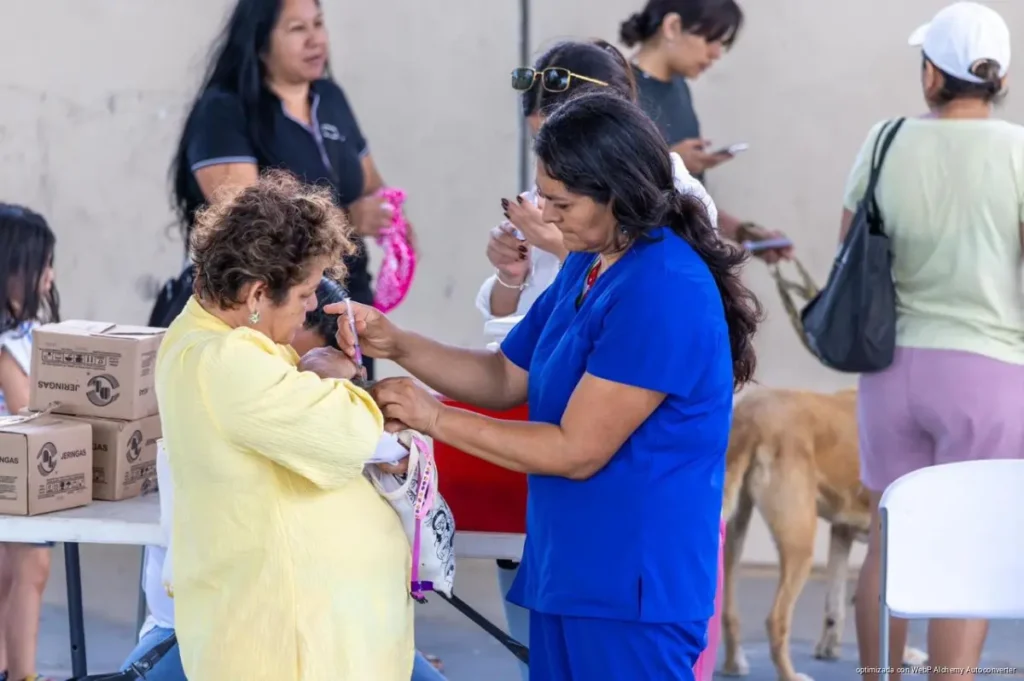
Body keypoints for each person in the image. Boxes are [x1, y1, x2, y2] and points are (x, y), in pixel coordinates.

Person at [331, 92, 762, 680]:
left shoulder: (663, 287)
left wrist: (434, 418)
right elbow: (505, 375)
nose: (545, 217)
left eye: (560, 202)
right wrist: (396, 343)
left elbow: (576, 450)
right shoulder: (593, 263)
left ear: (620, 191)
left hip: (632, 586)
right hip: (573, 570)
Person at [155, 171, 413, 681]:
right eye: (304, 294)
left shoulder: (210, 341)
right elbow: (354, 434)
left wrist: (310, 374)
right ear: (255, 293)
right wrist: (337, 378)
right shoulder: (227, 361)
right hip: (285, 647)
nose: (313, 307)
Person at [125, 273, 447, 681]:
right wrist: (338, 389)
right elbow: (371, 442)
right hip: (218, 631)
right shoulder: (235, 377)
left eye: (310, 366)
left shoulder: (319, 402)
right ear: (257, 307)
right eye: (294, 364)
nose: (300, 379)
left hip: (342, 633)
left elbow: (401, 452)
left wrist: (345, 393)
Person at [845, 4, 1024, 681]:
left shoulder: (884, 140)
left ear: (932, 75)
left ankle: (876, 675)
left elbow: (849, 253)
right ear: (998, 77)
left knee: (887, 538)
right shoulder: (1018, 150)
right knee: (965, 550)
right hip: (990, 369)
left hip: (890, 367)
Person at [168, 0, 405, 379]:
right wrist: (350, 219)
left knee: (352, 424)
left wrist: (393, 221)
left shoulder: (330, 99)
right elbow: (244, 230)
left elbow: (371, 184)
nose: (315, 39)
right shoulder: (225, 111)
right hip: (274, 318)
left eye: (318, 24)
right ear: (260, 41)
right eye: (297, 29)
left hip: (343, 306)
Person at [478, 38, 718, 320]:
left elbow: (646, 313)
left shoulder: (674, 195)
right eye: (538, 139)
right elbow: (507, 329)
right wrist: (510, 274)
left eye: (560, 141)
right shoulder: (550, 191)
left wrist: (562, 248)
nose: (548, 157)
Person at [620, 0, 793, 262]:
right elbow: (608, 191)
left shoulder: (679, 88)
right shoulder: (622, 90)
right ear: (673, 26)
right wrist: (669, 162)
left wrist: (743, 232)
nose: (715, 54)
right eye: (710, 40)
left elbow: (685, 198)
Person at [0, 204, 59, 681]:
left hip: (23, 477)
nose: (50, 276)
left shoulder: (27, 332)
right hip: (14, 474)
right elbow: (25, 407)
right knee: (27, 570)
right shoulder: (5, 345)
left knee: (23, 572)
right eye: (41, 264)